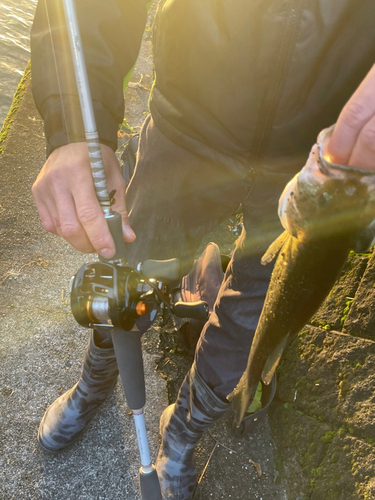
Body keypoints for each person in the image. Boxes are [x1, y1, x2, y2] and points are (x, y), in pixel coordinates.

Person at [30, 1, 375, 498]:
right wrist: (71, 124)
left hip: (321, 150)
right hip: (188, 119)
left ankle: (181, 432)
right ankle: (98, 379)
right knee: (130, 273)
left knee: (252, 316)